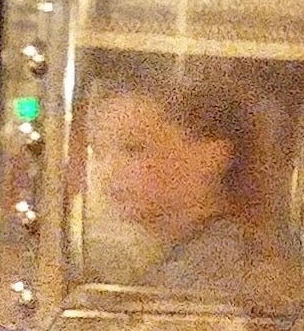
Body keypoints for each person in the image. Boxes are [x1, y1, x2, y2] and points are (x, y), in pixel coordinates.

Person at [80, 74, 288, 306]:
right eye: (99, 151)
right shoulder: (182, 256)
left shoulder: (218, 270)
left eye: (134, 148)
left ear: (212, 157)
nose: (108, 171)